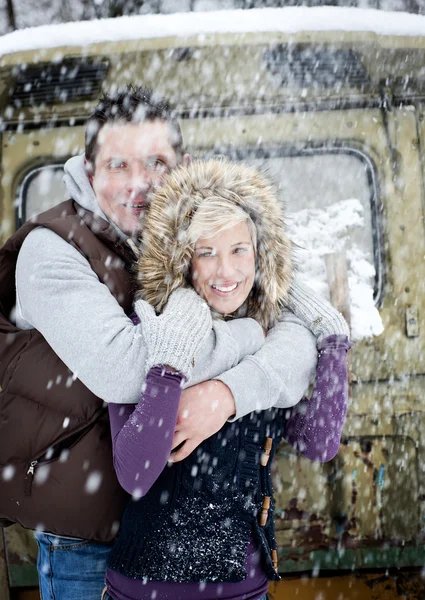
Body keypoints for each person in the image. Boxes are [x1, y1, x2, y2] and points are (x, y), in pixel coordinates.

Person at [0, 85, 336, 600]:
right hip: (88, 543)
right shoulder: (52, 250)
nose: (140, 185)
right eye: (118, 165)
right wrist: (251, 334)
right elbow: (128, 367)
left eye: (157, 161)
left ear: (185, 164)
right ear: (88, 171)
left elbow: (294, 320)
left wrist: (229, 393)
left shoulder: (202, 233)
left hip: (192, 530)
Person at [102, 158, 352, 600]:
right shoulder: (152, 333)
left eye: (239, 250)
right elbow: (137, 473)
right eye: (206, 252)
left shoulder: (270, 347)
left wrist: (332, 339)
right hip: (146, 590)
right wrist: (170, 363)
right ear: (184, 261)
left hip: (246, 589)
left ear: (260, 258)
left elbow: (318, 442)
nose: (226, 271)